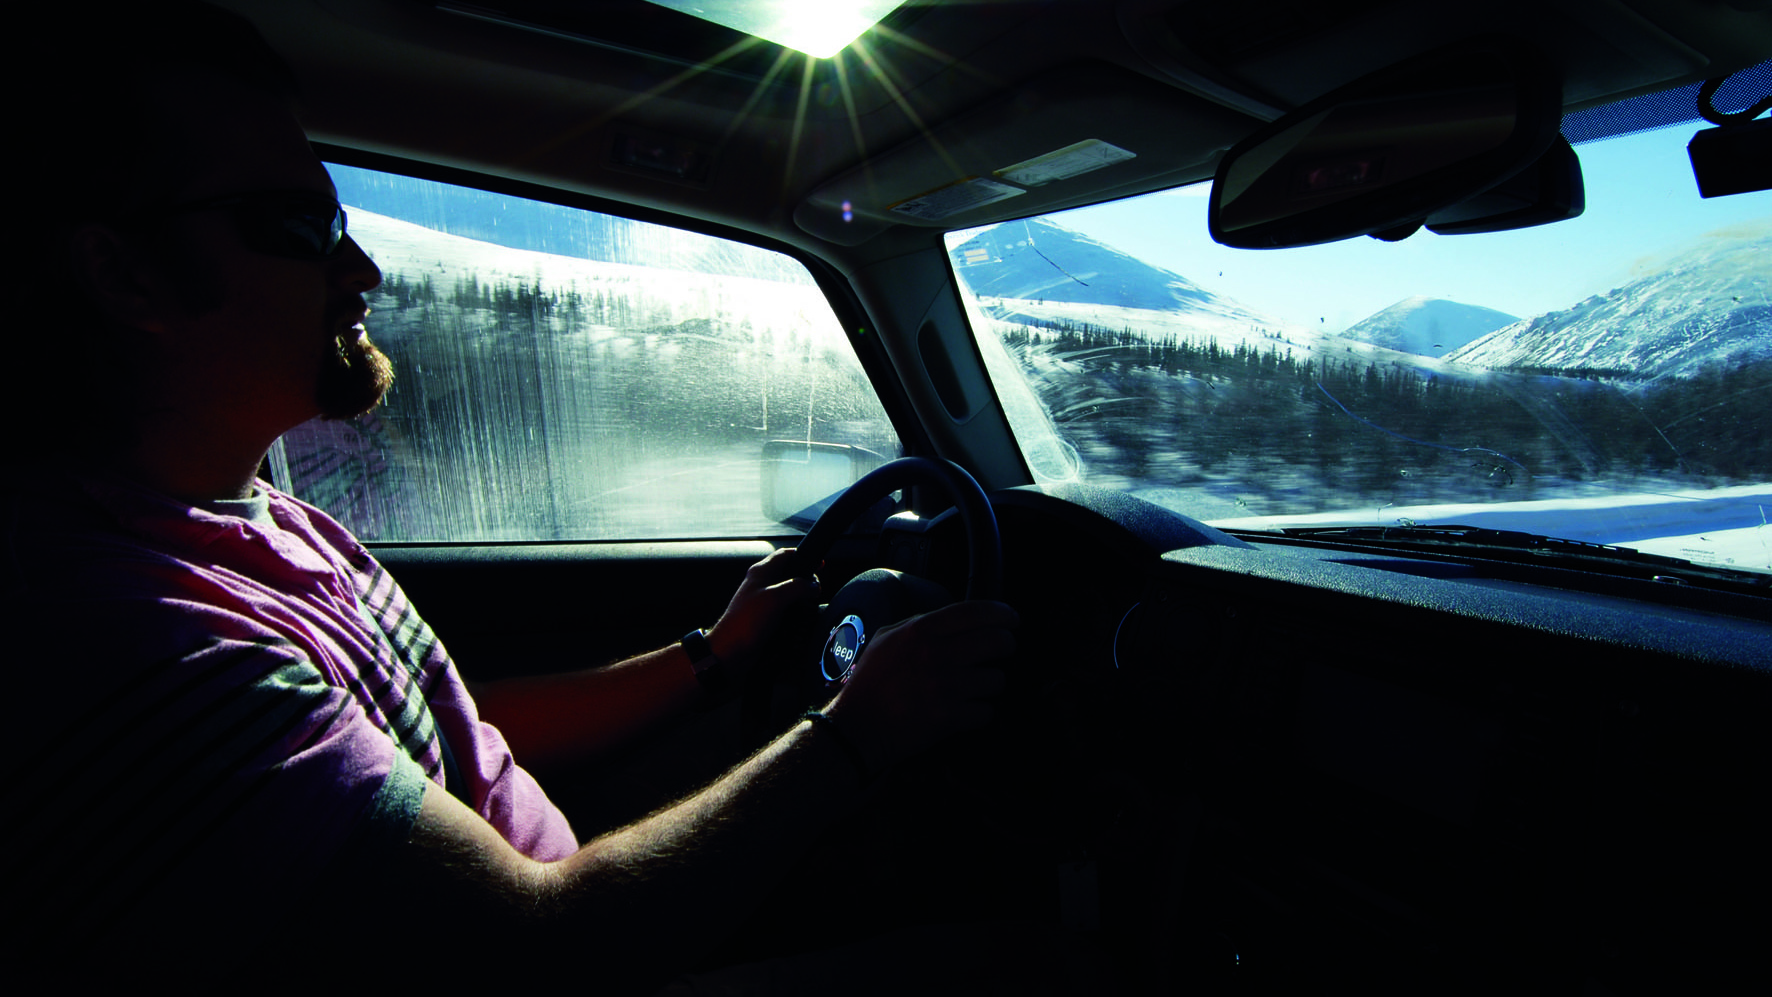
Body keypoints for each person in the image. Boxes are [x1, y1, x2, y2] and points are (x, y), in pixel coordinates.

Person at [6, 4, 1072, 992]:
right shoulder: (135, 641)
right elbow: (541, 948)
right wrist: (859, 727)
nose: (361, 267)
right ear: (125, 277)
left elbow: (433, 739)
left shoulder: (261, 522)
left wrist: (713, 654)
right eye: (295, 224)